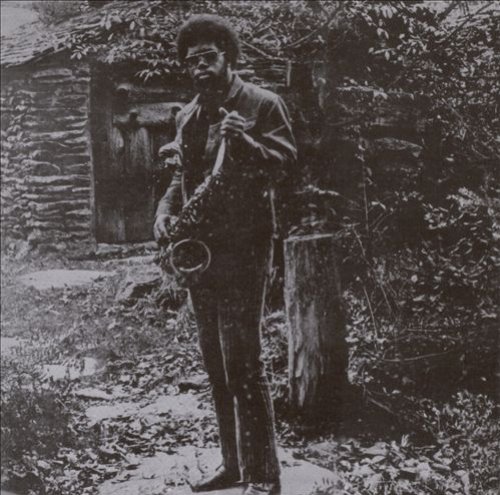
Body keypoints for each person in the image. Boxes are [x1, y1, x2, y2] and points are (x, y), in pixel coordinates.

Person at [154, 14, 297, 495]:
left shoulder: (262, 103)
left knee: (244, 362)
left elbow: (286, 166)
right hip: (201, 252)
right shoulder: (188, 115)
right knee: (215, 363)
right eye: (191, 60)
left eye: (208, 57)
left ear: (228, 57)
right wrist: (165, 211)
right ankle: (232, 465)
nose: (199, 67)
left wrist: (248, 143)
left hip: (245, 247)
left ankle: (264, 475)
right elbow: (182, 177)